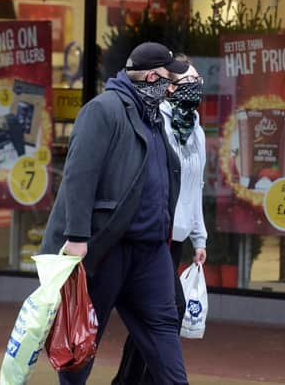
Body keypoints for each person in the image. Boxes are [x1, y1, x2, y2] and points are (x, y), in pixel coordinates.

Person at [40, 42, 190, 385]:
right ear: (151, 76)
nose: (170, 89)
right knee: (84, 335)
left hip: (149, 252)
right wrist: (77, 237)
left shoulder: (151, 115)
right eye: (167, 80)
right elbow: (79, 176)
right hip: (106, 248)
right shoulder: (104, 110)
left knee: (163, 327)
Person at [112, 58, 208, 385]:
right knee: (167, 312)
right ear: (170, 86)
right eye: (190, 80)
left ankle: (129, 380)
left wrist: (200, 238)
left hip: (178, 240)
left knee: (154, 317)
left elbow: (196, 187)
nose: (197, 85)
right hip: (157, 236)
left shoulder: (196, 130)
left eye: (199, 79)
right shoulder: (160, 124)